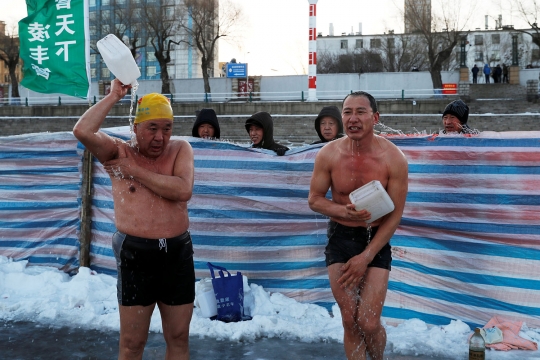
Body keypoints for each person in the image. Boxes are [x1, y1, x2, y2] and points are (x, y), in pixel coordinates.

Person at [73, 79, 195, 360]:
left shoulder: (180, 150)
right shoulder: (117, 152)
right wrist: (115, 95)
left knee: (178, 337)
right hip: (136, 255)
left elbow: (182, 190)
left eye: (167, 129)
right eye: (152, 128)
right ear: (135, 128)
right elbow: (82, 130)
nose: (160, 137)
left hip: (177, 253)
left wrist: (134, 171)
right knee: (132, 342)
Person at [308, 91, 408, 360]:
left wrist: (366, 256)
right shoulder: (328, 154)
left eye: (360, 112)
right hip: (340, 237)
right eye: (347, 112)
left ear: (375, 118)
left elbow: (395, 216)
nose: (353, 118)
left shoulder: (393, 158)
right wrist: (343, 211)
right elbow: (314, 200)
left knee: (369, 322)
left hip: (377, 238)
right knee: (350, 320)